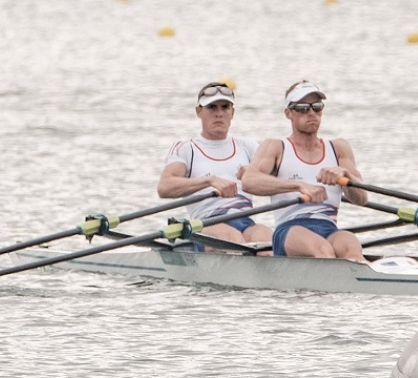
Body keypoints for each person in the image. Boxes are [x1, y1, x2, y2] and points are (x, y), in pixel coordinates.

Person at [240, 80, 369, 260]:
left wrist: (346, 176)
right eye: (302, 108)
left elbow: (362, 199)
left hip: (329, 228)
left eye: (317, 107)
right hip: (290, 230)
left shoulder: (339, 148)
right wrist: (298, 186)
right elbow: (249, 181)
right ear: (288, 113)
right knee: (323, 250)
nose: (311, 113)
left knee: (351, 245)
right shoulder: (275, 147)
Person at [157, 81, 274, 248]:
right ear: (199, 111)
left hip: (246, 222)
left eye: (225, 107)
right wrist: (209, 181)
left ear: (232, 112)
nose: (219, 113)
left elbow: (278, 175)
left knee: (268, 239)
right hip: (207, 224)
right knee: (233, 240)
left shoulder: (248, 146)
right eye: (212, 107)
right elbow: (164, 187)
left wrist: (254, 173)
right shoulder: (186, 149)